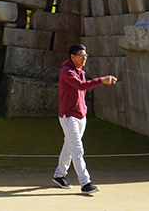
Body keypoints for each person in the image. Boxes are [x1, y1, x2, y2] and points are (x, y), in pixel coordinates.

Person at [52, 44, 117, 195]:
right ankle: (85, 183)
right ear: (72, 57)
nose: (84, 58)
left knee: (69, 146)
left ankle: (59, 175)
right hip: (69, 116)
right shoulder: (67, 72)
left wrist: (84, 111)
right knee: (77, 149)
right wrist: (101, 80)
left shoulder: (80, 71)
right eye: (81, 55)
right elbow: (80, 86)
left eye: (85, 55)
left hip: (81, 116)